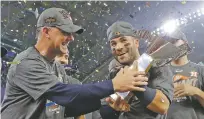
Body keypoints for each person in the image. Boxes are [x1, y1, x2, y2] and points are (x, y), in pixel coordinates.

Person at [1, 8, 145, 119]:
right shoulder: (26, 62)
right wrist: (113, 84)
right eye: (65, 32)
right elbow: (66, 94)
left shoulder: (56, 67)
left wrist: (108, 103)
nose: (71, 38)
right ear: (46, 32)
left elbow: (66, 105)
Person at [100, 21, 174, 119]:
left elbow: (162, 106)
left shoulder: (156, 65)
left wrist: (134, 83)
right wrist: (113, 107)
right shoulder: (114, 75)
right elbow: (105, 112)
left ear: (136, 42)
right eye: (113, 44)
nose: (118, 47)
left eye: (123, 40)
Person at [166, 30, 204, 119]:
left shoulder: (201, 70)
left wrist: (196, 91)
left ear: (185, 43)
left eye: (174, 41)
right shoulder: (161, 72)